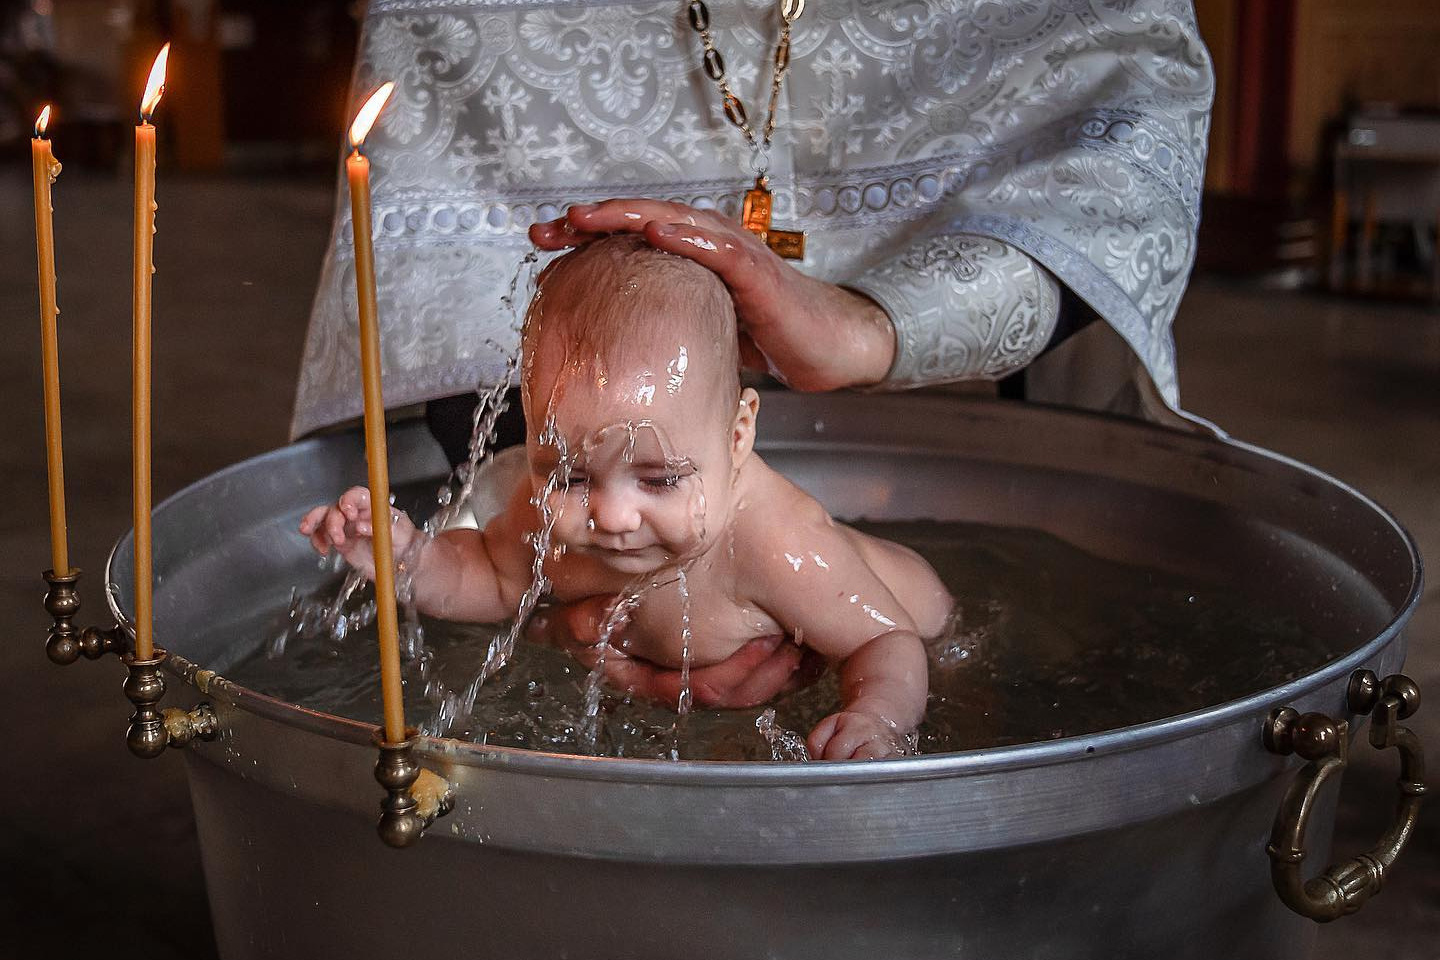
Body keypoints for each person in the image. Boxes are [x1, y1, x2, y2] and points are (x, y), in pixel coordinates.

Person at [292, 0, 1215, 447]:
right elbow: (454, 243)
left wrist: (878, 323)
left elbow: (1126, 124)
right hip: (563, 463)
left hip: (981, 439)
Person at [299, 236, 953, 759]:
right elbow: (487, 578)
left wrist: (875, 718)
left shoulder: (776, 545)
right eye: (571, 476)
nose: (610, 517)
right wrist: (405, 557)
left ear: (737, 435)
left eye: (660, 479)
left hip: (931, 638)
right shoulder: (545, 512)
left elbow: (888, 640)